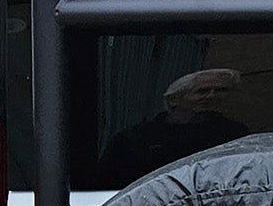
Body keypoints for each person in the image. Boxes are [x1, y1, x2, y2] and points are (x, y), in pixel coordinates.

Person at [97, 67, 248, 185]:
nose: (212, 96)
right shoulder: (136, 138)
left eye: (220, 90)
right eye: (202, 91)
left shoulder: (235, 135)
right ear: (174, 100)